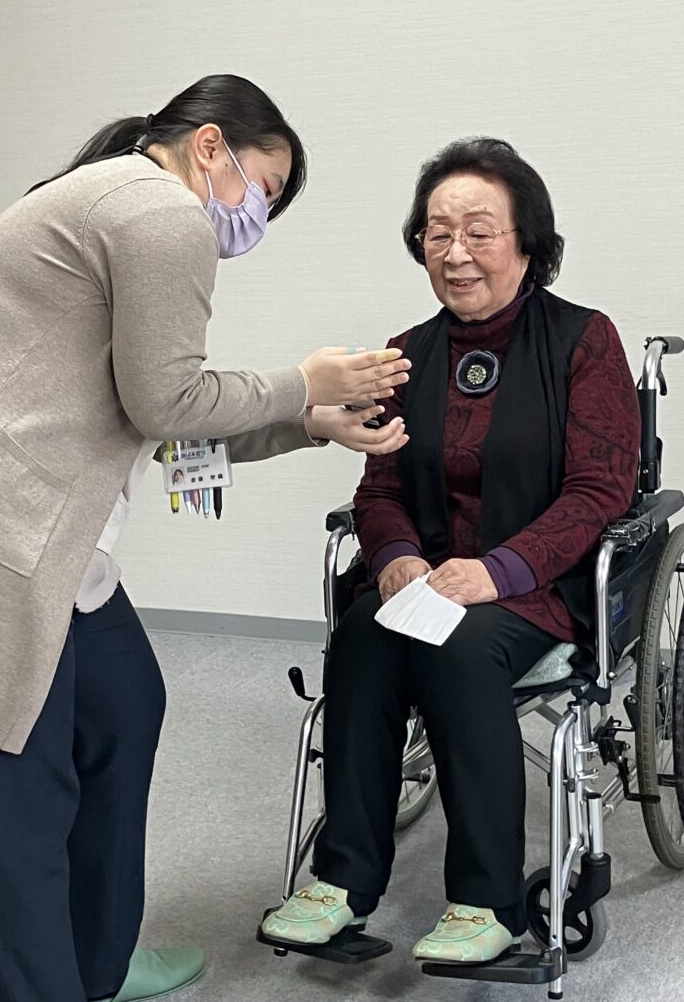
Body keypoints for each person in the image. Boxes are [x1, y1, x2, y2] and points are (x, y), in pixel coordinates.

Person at [0, 74, 411, 1002]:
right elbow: (168, 401)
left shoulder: (123, 200)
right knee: (15, 787)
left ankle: (95, 962)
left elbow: (159, 417)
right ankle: (45, 984)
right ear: (210, 145)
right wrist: (304, 381)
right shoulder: (158, 209)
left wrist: (312, 422)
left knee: (123, 705)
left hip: (50, 527)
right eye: (263, 188)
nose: (254, 216)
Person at [261, 137, 641, 965]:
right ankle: (341, 881)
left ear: (527, 242)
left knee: (461, 649)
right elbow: (379, 490)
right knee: (363, 634)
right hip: (430, 582)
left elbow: (600, 490)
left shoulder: (583, 342)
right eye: (437, 233)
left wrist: (496, 571)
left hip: (538, 587)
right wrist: (396, 557)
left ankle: (486, 901)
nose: (455, 252)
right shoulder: (407, 355)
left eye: (478, 231)